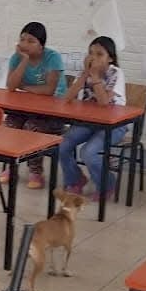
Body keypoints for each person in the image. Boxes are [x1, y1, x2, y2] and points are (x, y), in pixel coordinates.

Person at [58, 36, 127, 200]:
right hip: (89, 122)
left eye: (99, 54)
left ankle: (107, 184)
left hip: (114, 125)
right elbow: (67, 98)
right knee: (61, 145)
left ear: (110, 58)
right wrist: (84, 75)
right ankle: (75, 179)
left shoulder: (115, 73)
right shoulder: (85, 73)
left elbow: (104, 102)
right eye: (90, 53)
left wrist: (95, 77)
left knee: (88, 152)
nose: (93, 58)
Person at [4, 21, 67, 190]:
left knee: (32, 127)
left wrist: (24, 87)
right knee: (11, 123)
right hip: (27, 108)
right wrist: (24, 60)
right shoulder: (17, 57)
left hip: (54, 113)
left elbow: (49, 90)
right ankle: (11, 166)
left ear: (41, 45)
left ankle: (36, 171)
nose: (24, 44)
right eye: (22, 39)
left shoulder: (53, 57)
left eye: (31, 41)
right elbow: (11, 86)